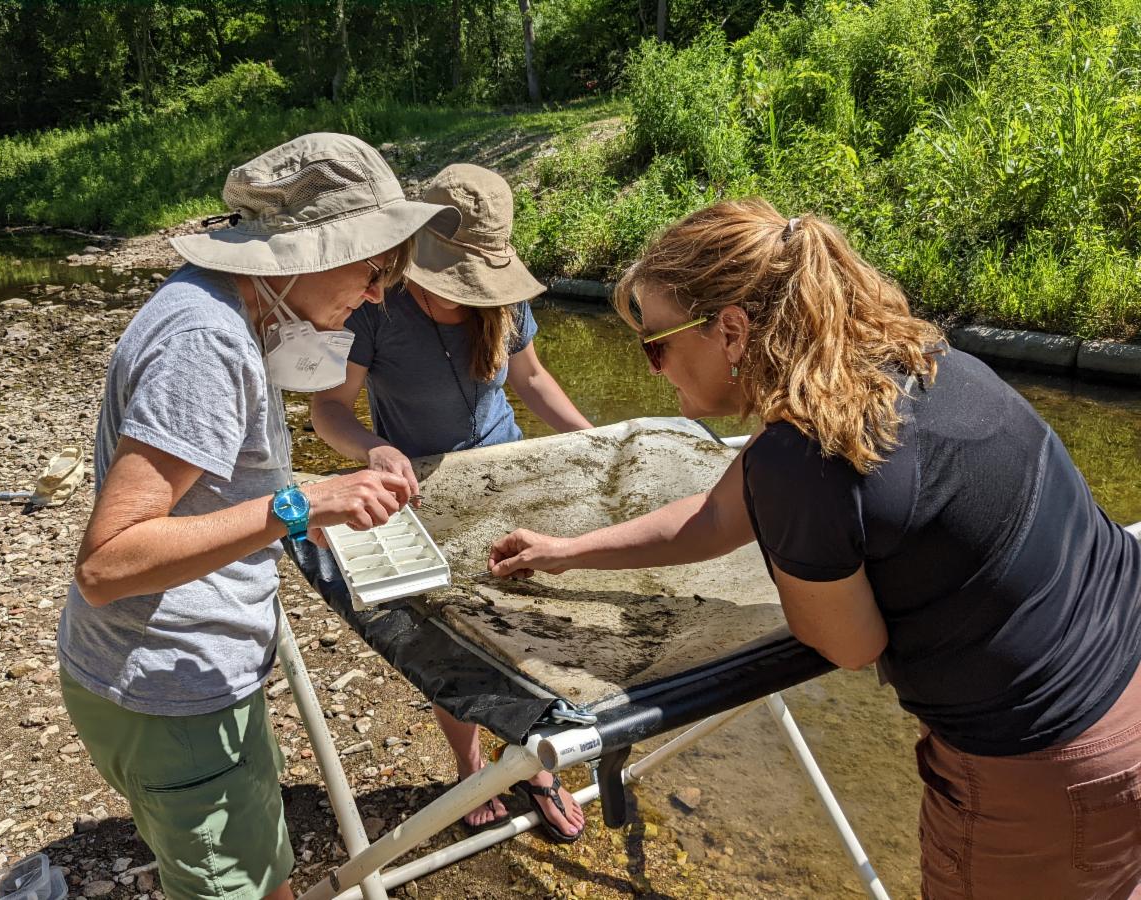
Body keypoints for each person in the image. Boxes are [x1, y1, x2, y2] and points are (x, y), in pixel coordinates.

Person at [487, 198, 1141, 898]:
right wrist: (567, 549)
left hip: (1050, 761)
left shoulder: (802, 458)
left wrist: (795, 549)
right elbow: (712, 518)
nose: (652, 369)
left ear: (731, 331)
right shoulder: (914, 361)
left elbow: (850, 645)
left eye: (656, 344)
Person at [58, 133, 460, 900]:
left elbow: (205, 487)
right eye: (373, 267)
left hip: (169, 682)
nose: (379, 294)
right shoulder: (205, 342)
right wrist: (299, 504)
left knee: (258, 871)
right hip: (167, 689)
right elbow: (109, 562)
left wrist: (315, 485)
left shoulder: (223, 309)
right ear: (302, 254)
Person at [312, 163, 592, 842]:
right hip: (423, 492)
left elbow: (531, 379)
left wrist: (593, 440)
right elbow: (327, 409)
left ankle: (529, 759)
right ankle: (469, 767)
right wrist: (372, 449)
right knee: (453, 644)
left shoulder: (505, 301)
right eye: (450, 285)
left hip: (507, 475)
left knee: (529, 622)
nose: (462, 298)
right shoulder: (378, 308)